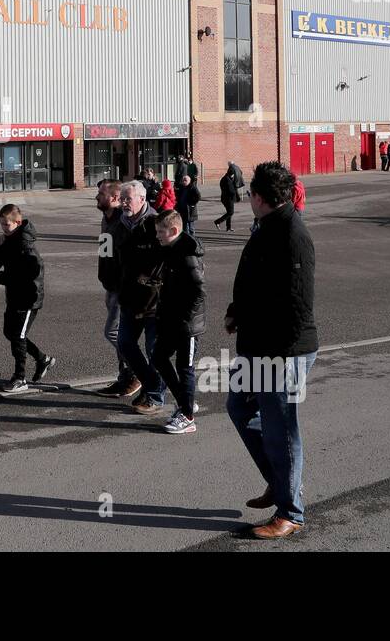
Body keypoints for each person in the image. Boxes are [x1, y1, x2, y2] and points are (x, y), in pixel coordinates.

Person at [225, 161, 318, 540]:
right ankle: (283, 482)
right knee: (239, 407)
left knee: (282, 429)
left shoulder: (292, 235)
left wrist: (280, 357)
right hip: (258, 343)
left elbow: (298, 303)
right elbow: (256, 283)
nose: (247, 198)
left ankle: (290, 511)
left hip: (282, 350)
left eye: (249, 194)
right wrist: (237, 312)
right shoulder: (268, 226)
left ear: (259, 198)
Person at [148, 209, 206, 435]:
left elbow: (199, 291)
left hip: (187, 324)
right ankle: (186, 402)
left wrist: (185, 319)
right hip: (171, 320)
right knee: (159, 357)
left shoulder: (188, 254)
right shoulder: (171, 249)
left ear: (173, 231)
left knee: (185, 367)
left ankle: (188, 417)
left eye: (161, 231)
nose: (157, 236)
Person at [0, 203, 55, 394]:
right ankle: (43, 359)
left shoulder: (25, 245)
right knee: (10, 333)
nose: (3, 228)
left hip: (28, 299)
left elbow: (33, 272)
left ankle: (20, 378)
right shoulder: (10, 240)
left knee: (17, 336)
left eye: (6, 225)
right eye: (1, 224)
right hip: (14, 296)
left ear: (17, 222)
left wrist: (5, 278)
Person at [116, 180, 167, 415]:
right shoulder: (120, 224)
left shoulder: (156, 224)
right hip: (128, 297)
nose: (123, 202)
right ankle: (152, 384)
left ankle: (155, 395)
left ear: (142, 200)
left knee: (154, 349)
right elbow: (113, 259)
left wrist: (147, 279)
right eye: (122, 198)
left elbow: (166, 260)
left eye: (128, 199)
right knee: (125, 343)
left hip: (153, 300)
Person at [94, 180, 138, 398]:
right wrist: (103, 277)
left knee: (113, 332)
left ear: (114, 198)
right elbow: (104, 250)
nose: (97, 197)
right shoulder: (106, 219)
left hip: (123, 290)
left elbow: (129, 260)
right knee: (119, 334)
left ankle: (139, 371)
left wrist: (122, 287)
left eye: (101, 194)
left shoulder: (124, 222)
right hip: (110, 286)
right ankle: (125, 378)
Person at [214, 165, 237, 231]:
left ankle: (228, 227)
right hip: (228, 199)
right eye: (233, 175)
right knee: (230, 212)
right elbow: (231, 190)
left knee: (229, 212)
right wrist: (234, 195)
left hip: (224, 198)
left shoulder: (224, 178)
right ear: (231, 174)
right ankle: (218, 222)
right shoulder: (228, 180)